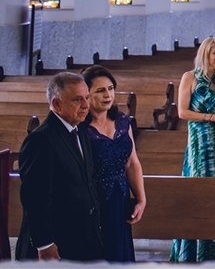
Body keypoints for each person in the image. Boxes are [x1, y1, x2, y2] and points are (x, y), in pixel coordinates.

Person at [15, 72, 105, 261]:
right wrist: (44, 243)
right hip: (56, 241)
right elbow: (34, 197)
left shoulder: (79, 129)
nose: (86, 105)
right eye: (77, 100)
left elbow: (85, 178)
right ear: (56, 104)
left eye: (87, 98)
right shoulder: (41, 140)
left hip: (82, 237)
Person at [170, 37, 215, 262]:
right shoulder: (190, 77)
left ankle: (214, 252)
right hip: (198, 142)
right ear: (205, 53)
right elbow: (182, 112)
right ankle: (192, 253)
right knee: (197, 194)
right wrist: (211, 117)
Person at [81, 65, 145, 263]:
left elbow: (132, 162)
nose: (108, 95)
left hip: (120, 199)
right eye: (100, 90)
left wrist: (141, 199)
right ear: (86, 94)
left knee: (120, 253)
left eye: (110, 88)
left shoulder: (121, 120)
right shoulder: (80, 127)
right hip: (93, 201)